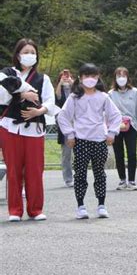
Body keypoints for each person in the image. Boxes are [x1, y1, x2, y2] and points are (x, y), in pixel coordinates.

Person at [0, 38, 55, 222]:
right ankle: (15, 210)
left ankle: (35, 209)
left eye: (33, 52)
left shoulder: (43, 78)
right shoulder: (8, 73)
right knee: (13, 169)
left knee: (35, 170)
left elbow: (49, 101)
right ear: (17, 55)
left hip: (34, 129)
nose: (29, 55)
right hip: (10, 128)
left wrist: (39, 111)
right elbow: (2, 97)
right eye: (26, 52)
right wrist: (22, 94)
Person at [57, 63, 121, 219]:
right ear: (80, 78)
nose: (90, 79)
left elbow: (116, 116)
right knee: (80, 174)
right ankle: (81, 206)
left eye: (93, 76)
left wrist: (112, 132)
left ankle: (101, 205)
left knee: (100, 174)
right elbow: (62, 116)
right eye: (86, 76)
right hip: (81, 140)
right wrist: (70, 135)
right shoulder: (74, 97)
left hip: (99, 139)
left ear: (98, 77)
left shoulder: (103, 96)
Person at [109, 67, 137, 191]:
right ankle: (122, 180)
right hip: (116, 127)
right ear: (115, 78)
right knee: (119, 153)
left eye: (124, 76)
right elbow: (108, 112)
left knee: (132, 153)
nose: (121, 78)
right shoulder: (110, 94)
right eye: (118, 76)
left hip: (132, 126)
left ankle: (132, 180)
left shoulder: (135, 92)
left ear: (128, 77)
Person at [55, 69, 75, 187]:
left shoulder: (75, 89)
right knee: (66, 154)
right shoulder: (59, 90)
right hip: (64, 124)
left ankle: (79, 176)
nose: (65, 77)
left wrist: (72, 83)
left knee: (80, 153)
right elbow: (57, 98)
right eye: (63, 76)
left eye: (67, 75)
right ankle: (68, 179)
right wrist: (60, 83)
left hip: (77, 123)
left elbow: (81, 93)